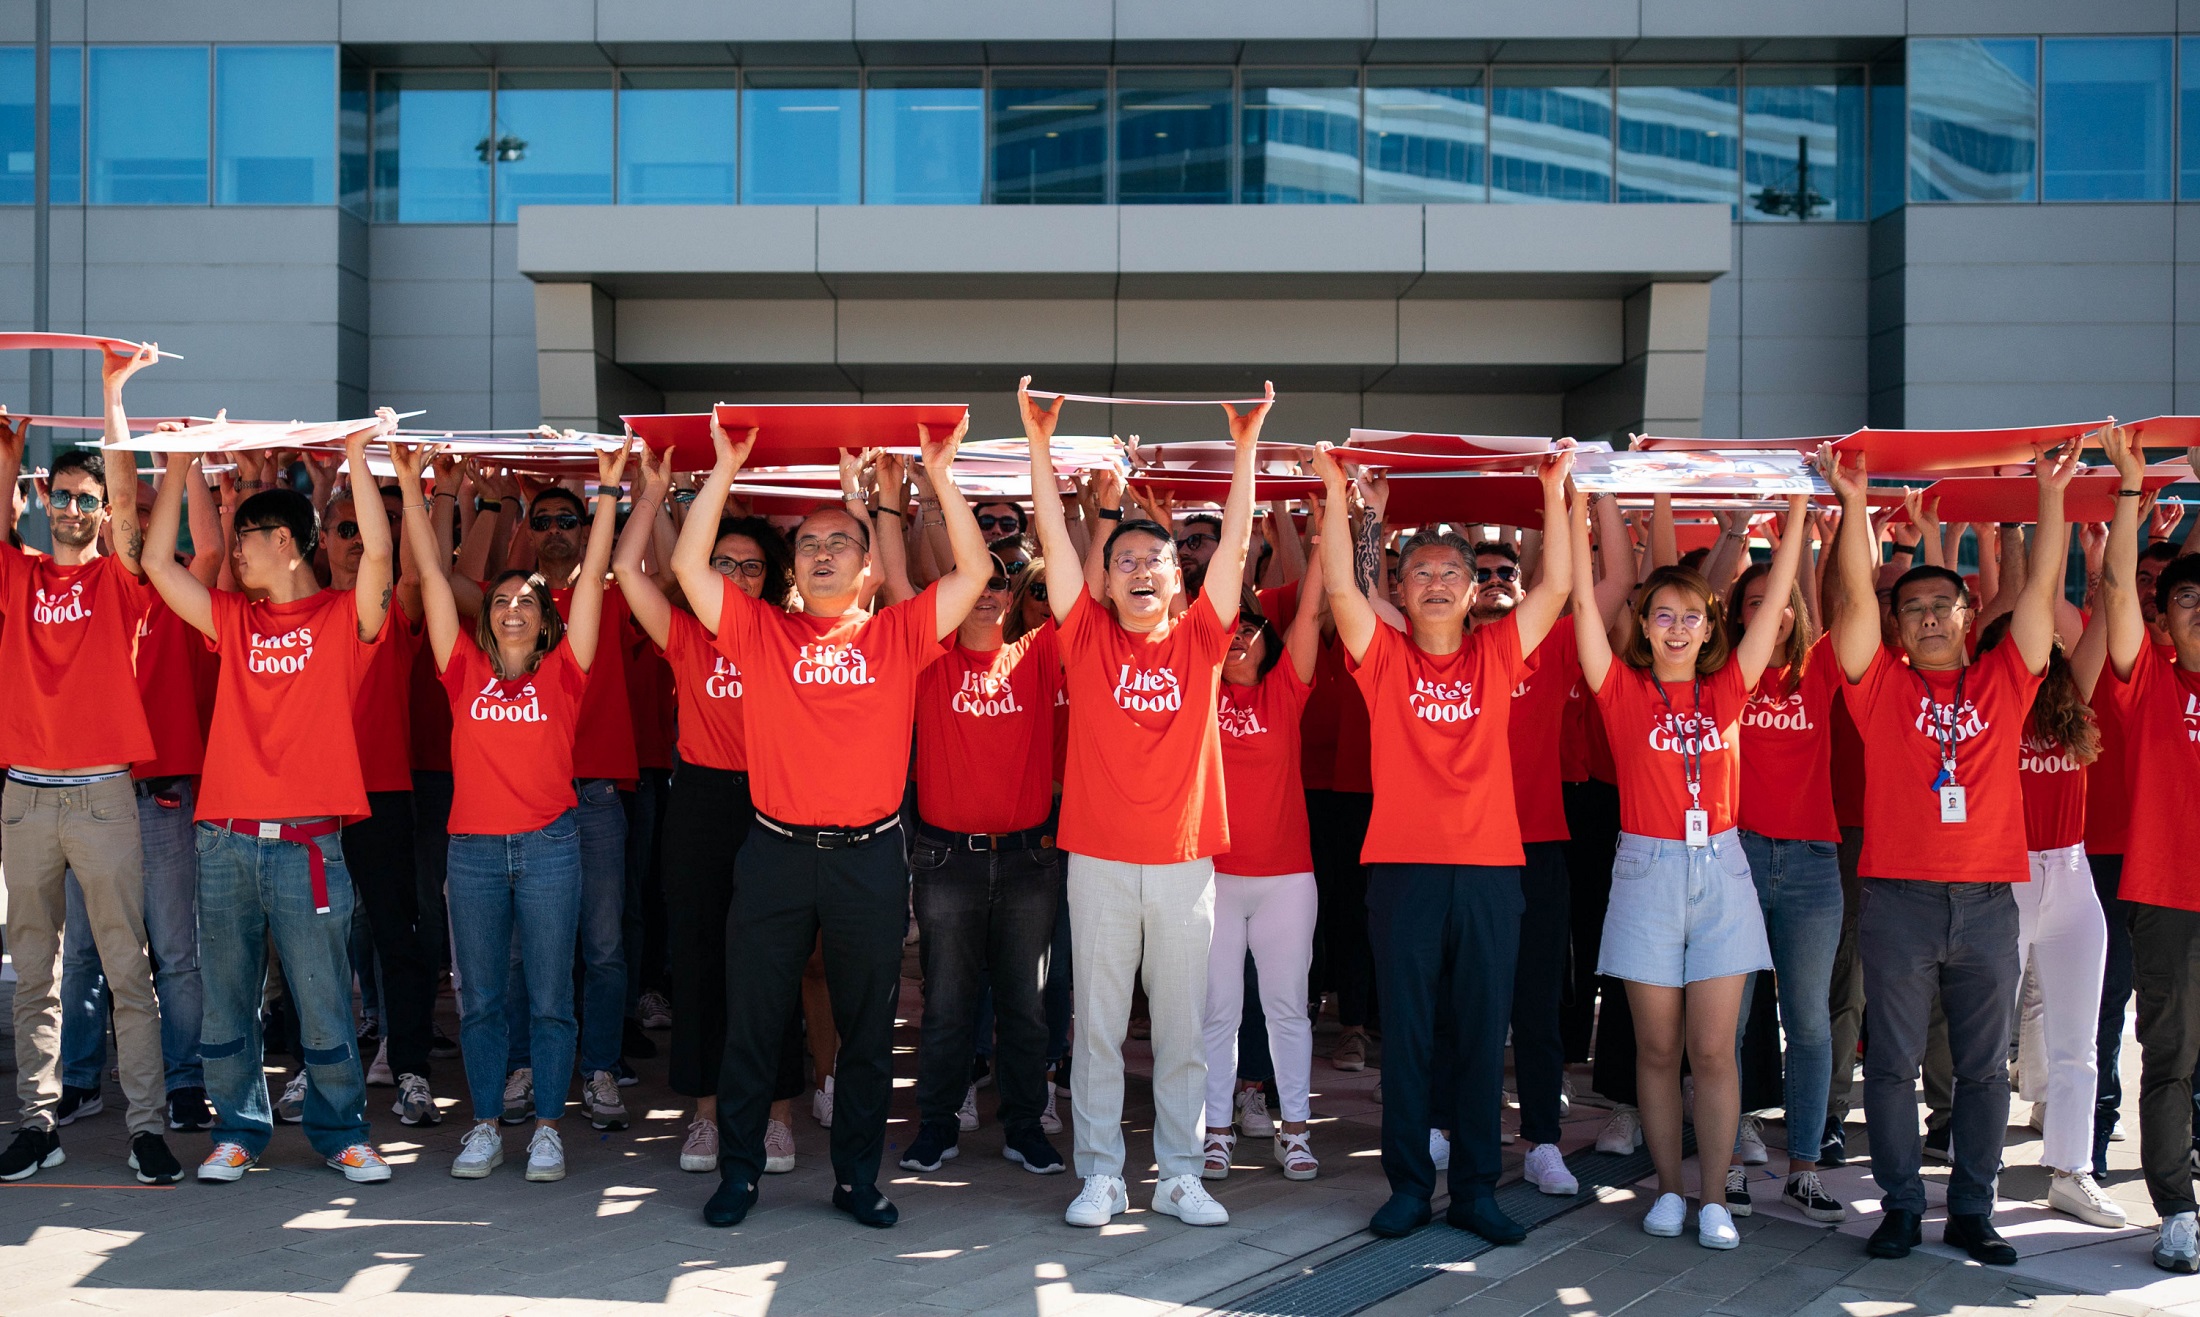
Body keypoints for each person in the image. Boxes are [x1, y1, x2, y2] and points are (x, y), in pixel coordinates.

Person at [672, 413, 992, 1230]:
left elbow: (975, 569)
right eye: (809, 542)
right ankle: (740, 1172)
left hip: (869, 859)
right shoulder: (759, 631)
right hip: (774, 853)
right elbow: (685, 563)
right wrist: (723, 468)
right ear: (795, 566)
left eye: (840, 542)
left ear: (865, 569)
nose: (821, 552)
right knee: (752, 1018)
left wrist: (939, 474)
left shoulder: (898, 633)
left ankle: (857, 1178)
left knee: (867, 1031)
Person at [1311, 437, 1574, 1243]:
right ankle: (1407, 1186)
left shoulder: (1499, 652)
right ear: (1399, 586)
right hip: (1403, 869)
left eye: (1450, 574)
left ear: (1471, 593)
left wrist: (1555, 492)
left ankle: (1475, 1192)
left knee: (1481, 1029)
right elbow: (1339, 586)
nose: (1435, 583)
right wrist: (1337, 494)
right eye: (1419, 572)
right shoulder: (1381, 658)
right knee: (1411, 1035)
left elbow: (1559, 581)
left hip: (1493, 869)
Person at [1822, 441, 2076, 1266]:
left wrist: (2047, 498)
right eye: (1914, 607)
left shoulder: (2007, 679)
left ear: (1970, 615)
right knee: (1891, 1067)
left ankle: (1972, 1207)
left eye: (1944, 603)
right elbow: (1852, 601)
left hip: (1988, 902)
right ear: (1897, 625)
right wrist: (1856, 506)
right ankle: (1898, 1205)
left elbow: (2040, 591)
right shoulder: (1879, 684)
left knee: (1982, 1071)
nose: (1928, 614)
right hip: (1898, 900)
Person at [1022, 377, 1266, 1231]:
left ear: (1175, 577)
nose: (1137, 570)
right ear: (1108, 576)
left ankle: (1180, 1174)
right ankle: (1101, 1175)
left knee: (1181, 1033)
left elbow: (1235, 548)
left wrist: (1244, 449)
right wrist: (1041, 446)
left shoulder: (1203, 636)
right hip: (1096, 859)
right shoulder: (1082, 633)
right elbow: (1054, 540)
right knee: (1093, 1029)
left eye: (1153, 560)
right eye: (1122, 559)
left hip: (1184, 861)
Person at [139, 410, 401, 1185]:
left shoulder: (340, 616)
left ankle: (341, 1130)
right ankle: (238, 1129)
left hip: (309, 845)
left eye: (245, 541)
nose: (234, 556)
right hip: (223, 839)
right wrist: (178, 461)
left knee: (324, 998)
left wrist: (356, 457)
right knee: (227, 1000)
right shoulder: (234, 620)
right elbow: (159, 562)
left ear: (281, 542)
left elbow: (380, 555)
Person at [1568, 491, 1807, 1249]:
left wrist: (1796, 504)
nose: (1676, 627)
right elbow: (1581, 598)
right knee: (1658, 1050)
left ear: (1711, 626)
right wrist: (1571, 506)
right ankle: (1667, 1189)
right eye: (1662, 614)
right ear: (1644, 623)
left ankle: (1714, 1199)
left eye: (1691, 615)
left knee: (1714, 1050)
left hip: (1721, 869)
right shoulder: (1623, 692)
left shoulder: (1730, 685)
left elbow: (1773, 612)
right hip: (1645, 871)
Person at [394, 441, 620, 1179]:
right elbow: (430, 576)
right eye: (501, 599)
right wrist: (410, 483)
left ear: (544, 618)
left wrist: (611, 495)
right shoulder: (461, 669)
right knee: (482, 998)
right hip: (476, 852)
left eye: (528, 599)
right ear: (486, 618)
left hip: (552, 845)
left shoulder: (566, 673)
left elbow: (589, 588)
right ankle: (486, 1123)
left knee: (553, 997)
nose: (515, 605)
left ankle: (548, 1126)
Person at [0, 344, 184, 1186]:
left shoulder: (121, 578)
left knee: (125, 966)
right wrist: (7, 454)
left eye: (87, 499)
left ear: (101, 512)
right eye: (61, 495)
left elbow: (127, 492)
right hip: (26, 798)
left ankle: (148, 1126)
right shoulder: (19, 574)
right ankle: (37, 1123)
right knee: (32, 970)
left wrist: (113, 391)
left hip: (105, 796)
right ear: (42, 499)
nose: (75, 507)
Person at [613, 445, 807, 1177]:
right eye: (721, 563)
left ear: (771, 577)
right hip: (698, 803)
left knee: (773, 966)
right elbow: (630, 575)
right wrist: (655, 495)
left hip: (774, 808)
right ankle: (704, 1114)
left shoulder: (793, 638)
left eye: (751, 565)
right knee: (698, 962)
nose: (735, 576)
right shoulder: (688, 634)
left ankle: (777, 1114)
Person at [458, 481, 636, 1131]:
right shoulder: (508, 609)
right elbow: (448, 579)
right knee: (512, 957)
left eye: (571, 518)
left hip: (591, 796)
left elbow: (663, 577)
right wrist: (469, 500)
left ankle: (599, 1068)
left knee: (604, 947)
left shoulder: (608, 592)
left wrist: (636, 494)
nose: (558, 528)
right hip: (517, 813)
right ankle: (524, 1064)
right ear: (525, 530)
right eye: (545, 519)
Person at [899, 537, 1067, 1178]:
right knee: (946, 1003)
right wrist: (892, 510)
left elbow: (1080, 587)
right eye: (979, 579)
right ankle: (937, 1125)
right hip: (948, 861)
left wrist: (1090, 513)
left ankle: (1023, 1127)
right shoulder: (928, 659)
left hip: (1030, 860)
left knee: (1026, 1004)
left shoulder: (1038, 652)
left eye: (1003, 582)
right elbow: (894, 578)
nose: (991, 590)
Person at [1970, 608, 2124, 1228]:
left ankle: (2071, 1170)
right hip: (2003, 876)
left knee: (2077, 1042)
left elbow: (2112, 611)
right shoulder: (1983, 708)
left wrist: (2114, 534)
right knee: (1983, 1036)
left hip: (2071, 873)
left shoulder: (2073, 700)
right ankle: (1973, 1167)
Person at [2098, 427, 2200, 1275]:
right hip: (2170, 897)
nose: (2198, 608)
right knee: (2171, 1055)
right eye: (2186, 599)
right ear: (2165, 617)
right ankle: (2177, 1209)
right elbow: (2116, 594)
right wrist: (2131, 490)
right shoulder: (2152, 682)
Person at [1725, 558, 1848, 1224]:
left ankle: (1804, 1166)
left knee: (1806, 1022)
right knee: (1733, 1023)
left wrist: (1842, 521)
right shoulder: (1726, 673)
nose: (1770, 610)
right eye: (1754, 600)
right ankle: (1729, 1164)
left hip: (1810, 864)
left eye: (1781, 600)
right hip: (1736, 857)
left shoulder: (1819, 667)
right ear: (1738, 612)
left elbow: (1851, 595)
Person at [322, 476, 442, 1127]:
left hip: (381, 792)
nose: (359, 538)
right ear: (320, 540)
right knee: (313, 942)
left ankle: (413, 1070)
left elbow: (418, 575)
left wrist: (418, 503)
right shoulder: (301, 609)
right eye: (345, 528)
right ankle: (315, 1071)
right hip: (310, 795)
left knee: (398, 938)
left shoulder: (398, 607)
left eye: (366, 530)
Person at [1202, 564, 1322, 1183]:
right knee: (1219, 1011)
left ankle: (1295, 1131)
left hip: (1286, 879)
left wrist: (1328, 534)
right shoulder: (1195, 688)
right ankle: (1216, 1131)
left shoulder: (1285, 689)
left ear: (1269, 641)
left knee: (1286, 1009)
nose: (1240, 636)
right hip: (1213, 878)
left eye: (1252, 628)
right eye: (1229, 628)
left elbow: (1309, 613)